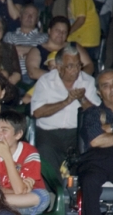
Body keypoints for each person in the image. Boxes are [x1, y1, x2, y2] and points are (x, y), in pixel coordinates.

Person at [30, 45, 100, 176]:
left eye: (79, 65)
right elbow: (37, 112)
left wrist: (82, 99)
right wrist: (66, 102)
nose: (76, 70)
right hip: (49, 133)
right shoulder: (45, 81)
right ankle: (56, 193)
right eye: (70, 66)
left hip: (77, 133)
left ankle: (74, 190)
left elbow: (97, 114)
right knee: (45, 151)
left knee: (86, 151)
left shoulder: (88, 81)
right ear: (59, 67)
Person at [0, 109, 50, 215]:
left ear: (18, 134)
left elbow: (19, 191)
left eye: (4, 130)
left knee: (43, 197)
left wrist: (7, 157)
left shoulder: (30, 153)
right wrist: (15, 191)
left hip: (24, 203)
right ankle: (1, 208)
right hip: (9, 199)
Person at [78, 69, 113, 215]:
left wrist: (108, 129)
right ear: (99, 92)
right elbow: (95, 141)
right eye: (106, 86)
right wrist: (102, 134)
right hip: (96, 160)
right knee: (89, 181)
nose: (111, 89)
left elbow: (102, 137)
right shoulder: (92, 113)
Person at [25, 16, 94, 81]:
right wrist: (59, 78)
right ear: (49, 31)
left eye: (64, 32)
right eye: (57, 30)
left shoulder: (74, 46)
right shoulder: (37, 50)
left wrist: (78, 77)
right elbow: (32, 72)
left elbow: (89, 65)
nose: (61, 34)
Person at [57, 0, 101, 65]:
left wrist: (67, 33)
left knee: (83, 67)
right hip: (82, 38)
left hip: (85, 39)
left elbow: (81, 19)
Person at [3, 4, 48, 84]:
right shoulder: (10, 36)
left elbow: (44, 53)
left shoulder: (44, 37)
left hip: (36, 78)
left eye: (33, 14)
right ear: (20, 17)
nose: (29, 17)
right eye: (26, 13)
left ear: (37, 19)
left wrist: (17, 49)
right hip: (14, 76)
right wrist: (33, 50)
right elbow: (7, 53)